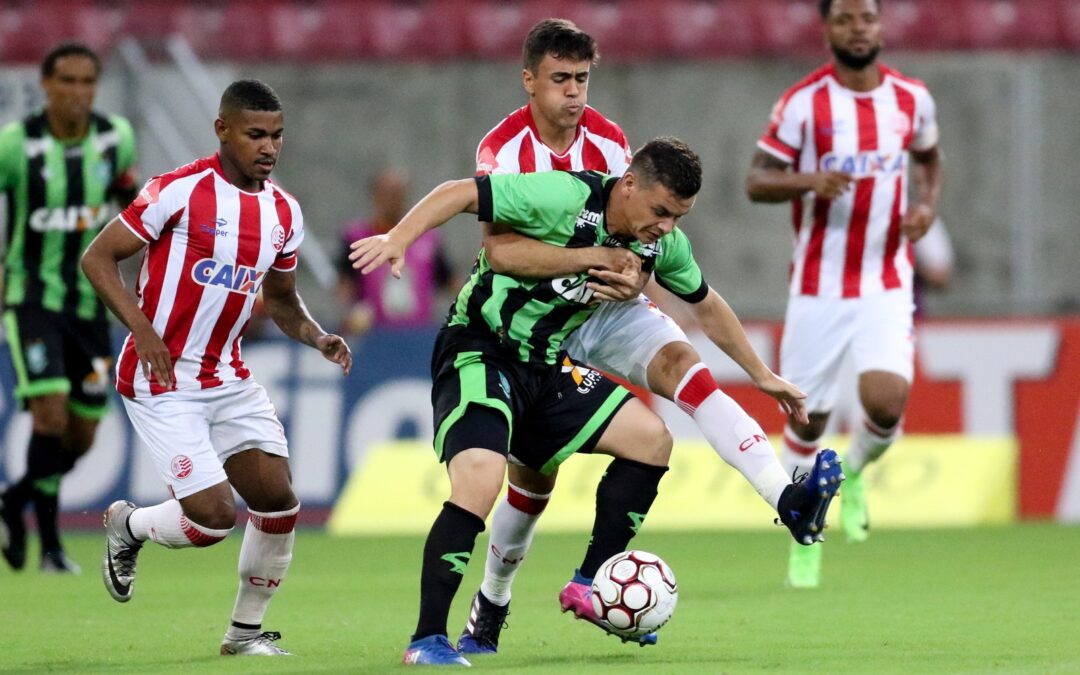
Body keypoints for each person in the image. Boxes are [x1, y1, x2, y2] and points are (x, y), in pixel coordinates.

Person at [351, 137, 838, 666]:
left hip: (548, 364)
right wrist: (401, 236)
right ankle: (427, 639)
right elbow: (460, 193)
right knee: (481, 482)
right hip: (482, 349)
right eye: (660, 212)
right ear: (628, 184)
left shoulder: (657, 244)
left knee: (651, 441)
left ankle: (590, 580)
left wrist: (761, 374)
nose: (666, 227)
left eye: (678, 217)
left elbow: (707, 304)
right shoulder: (564, 196)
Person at [454, 18, 841, 654]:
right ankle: (492, 601)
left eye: (582, 78)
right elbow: (499, 246)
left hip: (606, 307)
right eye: (561, 79)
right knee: (533, 480)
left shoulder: (610, 142)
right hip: (530, 318)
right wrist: (590, 264)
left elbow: (639, 230)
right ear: (530, 81)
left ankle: (787, 499)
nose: (575, 93)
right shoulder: (501, 150)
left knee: (687, 369)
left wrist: (636, 285)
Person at [80, 80, 351, 656]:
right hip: (160, 380)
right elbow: (97, 258)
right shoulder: (176, 191)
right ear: (222, 129)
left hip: (226, 377)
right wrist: (144, 330)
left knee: (279, 501)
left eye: (277, 136)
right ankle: (128, 525)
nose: (269, 147)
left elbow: (280, 300)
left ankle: (244, 636)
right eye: (256, 134)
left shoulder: (283, 211)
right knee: (211, 520)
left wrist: (316, 335)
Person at [745, 0, 944, 588]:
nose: (860, 28)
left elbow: (930, 160)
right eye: (846, 19)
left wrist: (927, 207)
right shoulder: (803, 103)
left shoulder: (912, 98)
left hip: (886, 279)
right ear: (827, 29)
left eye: (868, 17)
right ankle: (806, 536)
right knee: (809, 423)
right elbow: (756, 180)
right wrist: (809, 180)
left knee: (886, 405)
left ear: (880, 26)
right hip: (818, 288)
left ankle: (852, 473)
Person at [0, 42, 137, 574]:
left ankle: (14, 501)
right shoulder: (15, 146)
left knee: (81, 435)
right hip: (31, 299)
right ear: (46, 85)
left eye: (88, 82)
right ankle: (52, 546)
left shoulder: (114, 137)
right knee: (50, 415)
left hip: (89, 302)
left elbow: (131, 200)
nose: (78, 93)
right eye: (68, 82)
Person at [335, 168, 453, 336]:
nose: (393, 200)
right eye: (387, 193)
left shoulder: (427, 238)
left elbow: (448, 280)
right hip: (374, 335)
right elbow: (344, 284)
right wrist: (348, 313)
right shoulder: (356, 237)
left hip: (419, 334)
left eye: (398, 194)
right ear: (375, 195)